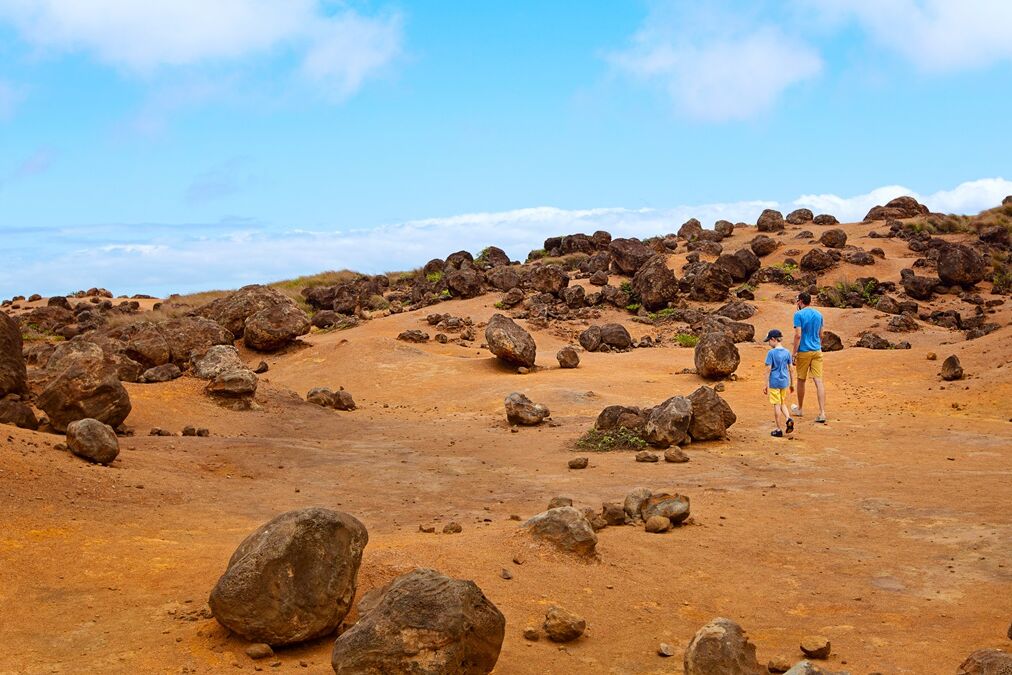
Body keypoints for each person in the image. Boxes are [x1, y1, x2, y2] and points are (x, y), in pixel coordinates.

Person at [791, 292, 827, 423]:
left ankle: (800, 409)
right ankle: (822, 412)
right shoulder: (819, 314)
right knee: (818, 381)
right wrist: (818, 346)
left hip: (804, 351)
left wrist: (794, 353)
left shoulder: (798, 315)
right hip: (817, 351)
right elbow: (821, 334)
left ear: (800, 301)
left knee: (801, 379)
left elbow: (798, 335)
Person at [763, 329, 794, 437]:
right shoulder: (787, 352)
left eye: (769, 341)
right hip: (784, 381)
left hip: (774, 382)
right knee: (782, 403)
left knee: (776, 404)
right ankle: (788, 418)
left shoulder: (771, 353)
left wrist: (765, 384)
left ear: (773, 339)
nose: (769, 343)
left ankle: (778, 429)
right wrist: (792, 383)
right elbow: (791, 368)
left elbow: (768, 369)